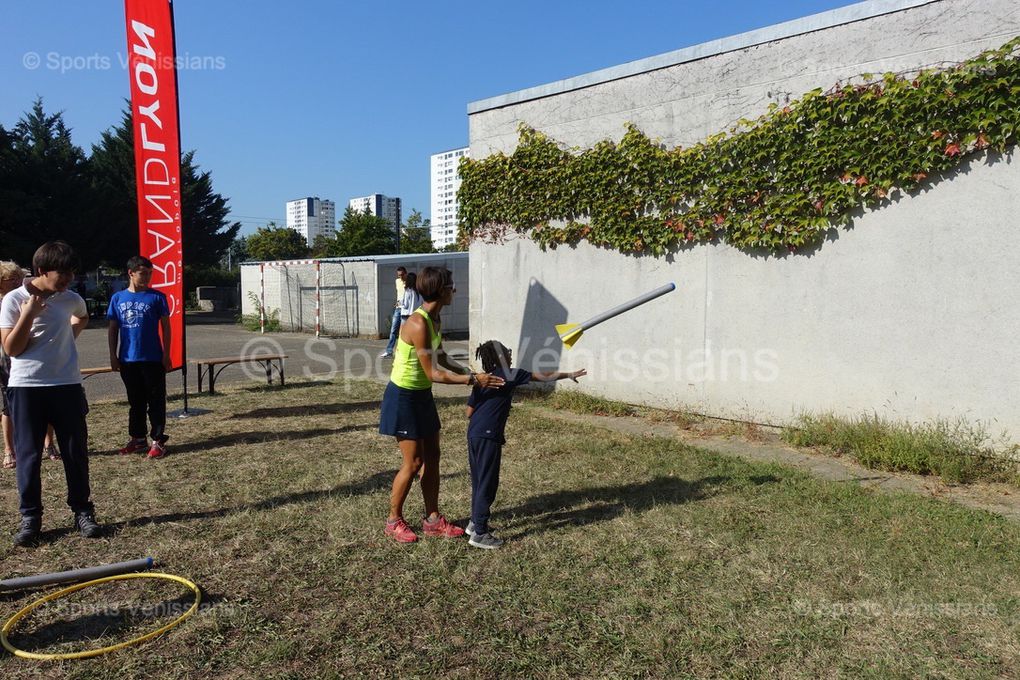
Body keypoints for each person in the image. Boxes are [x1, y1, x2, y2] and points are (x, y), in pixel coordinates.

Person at [380, 266, 505, 543]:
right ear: (440, 290)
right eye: (451, 285)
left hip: (421, 396)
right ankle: (393, 521)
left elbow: (442, 357)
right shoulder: (417, 323)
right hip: (403, 397)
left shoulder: (434, 319)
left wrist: (471, 371)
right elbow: (432, 373)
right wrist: (473, 380)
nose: (454, 290)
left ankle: (433, 519)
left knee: (433, 457)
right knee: (413, 463)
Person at [0, 241, 101, 546]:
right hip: (27, 386)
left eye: (72, 272)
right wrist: (29, 313)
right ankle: (30, 518)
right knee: (29, 456)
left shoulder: (71, 299)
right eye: (64, 273)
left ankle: (83, 511)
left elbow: (82, 316)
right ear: (42, 271)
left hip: (67, 385)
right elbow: (11, 348)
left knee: (75, 453)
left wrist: (68, 336)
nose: (69, 279)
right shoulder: (14, 300)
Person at [465, 340, 586, 549]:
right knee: (488, 483)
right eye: (507, 351)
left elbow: (469, 412)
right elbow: (542, 375)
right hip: (488, 435)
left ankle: (474, 523)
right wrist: (568, 374)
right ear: (502, 357)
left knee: (479, 480)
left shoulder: (483, 380)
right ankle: (480, 534)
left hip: (474, 434)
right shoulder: (509, 374)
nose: (510, 354)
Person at [107, 256, 172, 459]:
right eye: (143, 273)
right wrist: (112, 355)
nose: (147, 277)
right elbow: (113, 328)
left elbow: (167, 328)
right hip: (128, 358)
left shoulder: (157, 297)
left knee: (156, 400)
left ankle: (158, 440)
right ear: (131, 273)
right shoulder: (118, 298)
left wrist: (167, 354)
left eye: (150, 273)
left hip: (152, 358)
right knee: (136, 401)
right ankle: (138, 438)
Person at [1, 263, 59, 470]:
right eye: (12, 279)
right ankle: (10, 449)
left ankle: (49, 443)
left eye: (19, 277)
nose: (17, 282)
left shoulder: (30, 298)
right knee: (9, 406)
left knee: (48, 401)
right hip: (6, 359)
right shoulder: (8, 301)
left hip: (31, 357)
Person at [379, 266, 407, 358]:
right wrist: (397, 302)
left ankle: (404, 351)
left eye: (402, 275)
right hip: (398, 308)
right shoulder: (397, 281)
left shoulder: (410, 283)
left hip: (407, 309)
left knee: (404, 331)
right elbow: (399, 294)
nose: (401, 277)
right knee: (393, 329)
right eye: (399, 276)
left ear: (405, 274)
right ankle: (389, 351)